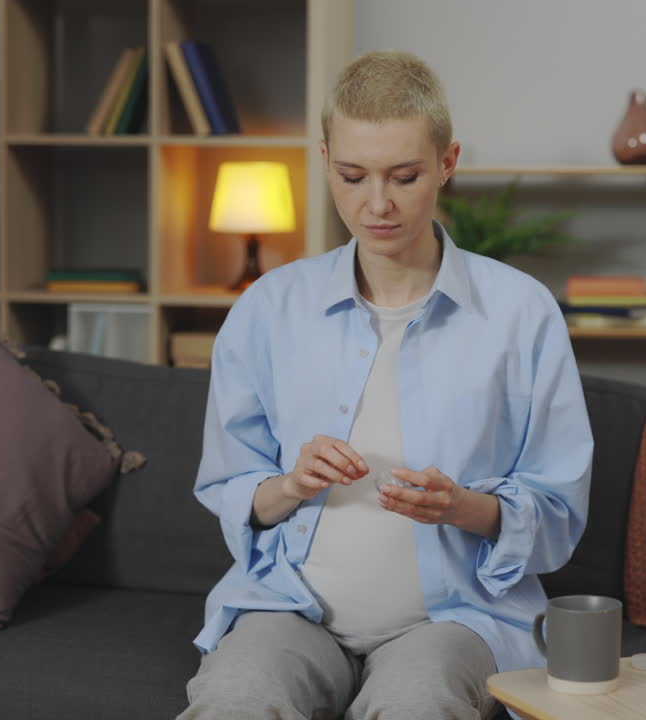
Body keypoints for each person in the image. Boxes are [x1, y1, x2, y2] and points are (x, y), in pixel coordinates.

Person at [180, 50, 593, 720]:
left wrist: (462, 507)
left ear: (447, 163)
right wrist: (290, 484)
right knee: (236, 699)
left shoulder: (521, 313)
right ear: (324, 160)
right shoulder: (268, 308)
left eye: (404, 177)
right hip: (290, 610)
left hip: (453, 620)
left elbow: (559, 513)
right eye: (352, 176)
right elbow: (228, 485)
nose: (377, 205)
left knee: (419, 705)